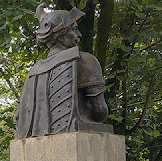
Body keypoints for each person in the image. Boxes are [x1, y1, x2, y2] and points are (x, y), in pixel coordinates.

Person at [15, 4, 110, 139]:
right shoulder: (85, 60)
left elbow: (19, 117)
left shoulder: (33, 73)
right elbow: (100, 111)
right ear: (60, 36)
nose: (79, 34)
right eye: (75, 29)